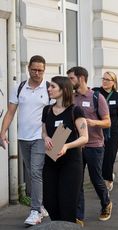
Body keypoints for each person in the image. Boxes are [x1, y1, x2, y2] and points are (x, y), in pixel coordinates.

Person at [0, 55, 49, 225]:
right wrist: (2, 132)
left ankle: (35, 211)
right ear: (28, 68)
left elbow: (60, 113)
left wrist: (57, 142)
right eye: (34, 69)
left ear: (44, 70)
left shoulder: (49, 89)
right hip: (23, 137)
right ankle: (41, 204)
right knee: (32, 172)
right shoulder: (19, 87)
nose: (37, 73)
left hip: (40, 138)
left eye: (40, 70)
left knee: (35, 172)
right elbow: (10, 112)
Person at [67, 66, 112, 225]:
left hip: (94, 145)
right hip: (77, 146)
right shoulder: (71, 98)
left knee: (96, 179)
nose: (69, 81)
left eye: (71, 78)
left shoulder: (96, 97)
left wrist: (92, 122)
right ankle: (79, 216)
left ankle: (106, 203)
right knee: (77, 181)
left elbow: (108, 122)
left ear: (81, 78)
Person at [41, 76, 88, 223]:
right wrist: (46, 138)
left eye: (53, 86)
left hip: (71, 163)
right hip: (51, 161)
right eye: (49, 86)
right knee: (49, 202)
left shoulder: (75, 110)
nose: (49, 89)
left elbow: (84, 137)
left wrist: (66, 145)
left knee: (67, 204)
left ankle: (67, 225)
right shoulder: (47, 110)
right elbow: (43, 131)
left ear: (64, 89)